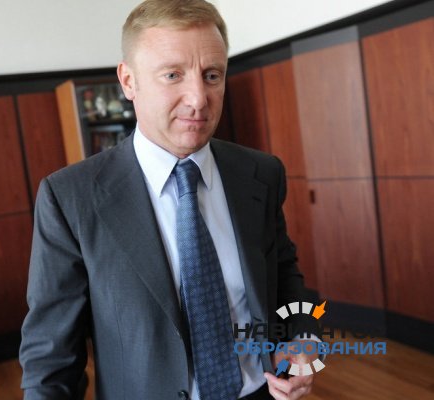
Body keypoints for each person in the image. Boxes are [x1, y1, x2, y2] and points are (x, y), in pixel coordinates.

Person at [20, 1, 319, 399]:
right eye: (173, 75)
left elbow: (283, 277)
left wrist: (303, 344)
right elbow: (51, 357)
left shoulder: (261, 173)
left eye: (211, 75)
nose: (198, 98)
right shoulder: (70, 198)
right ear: (129, 81)